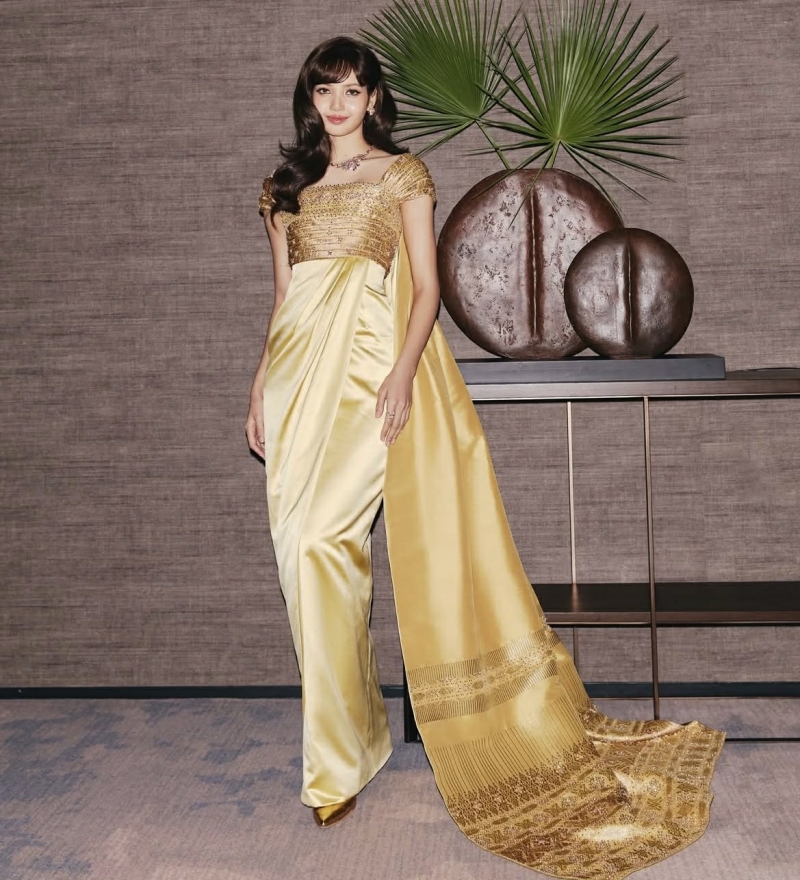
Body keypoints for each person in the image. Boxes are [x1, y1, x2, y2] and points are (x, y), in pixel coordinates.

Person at [246, 35, 724, 879]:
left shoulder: (403, 176)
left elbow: (426, 287)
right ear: (310, 99)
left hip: (367, 384)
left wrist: (401, 375)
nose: (338, 104)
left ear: (373, 100)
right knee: (303, 561)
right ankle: (354, 742)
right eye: (325, 90)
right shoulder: (286, 191)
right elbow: (285, 301)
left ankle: (332, 765)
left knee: (326, 543)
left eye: (353, 90)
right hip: (295, 388)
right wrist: (257, 393)